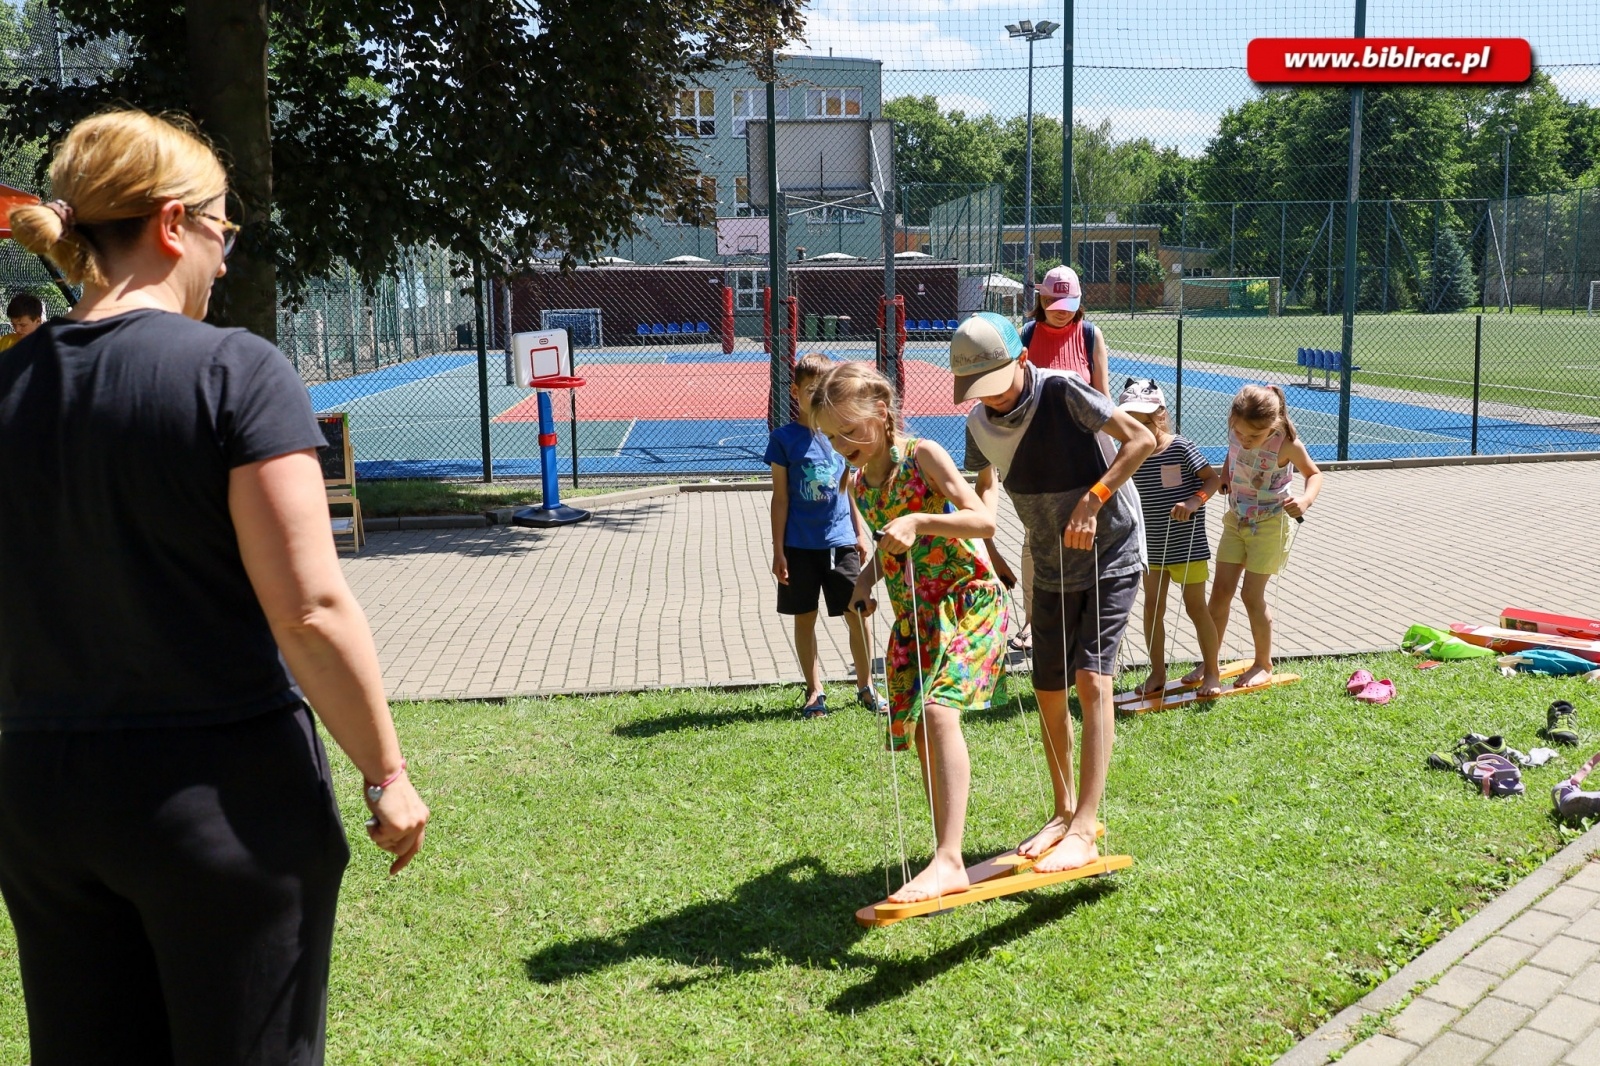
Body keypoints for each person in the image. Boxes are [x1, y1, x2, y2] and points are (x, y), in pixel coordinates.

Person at [0, 108, 428, 1065]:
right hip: (220, 795)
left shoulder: (9, 386)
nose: (225, 259)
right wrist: (387, 773)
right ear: (170, 224)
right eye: (221, 230)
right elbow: (309, 608)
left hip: (41, 798)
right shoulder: (237, 372)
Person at [958, 313, 1156, 874]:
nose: (988, 401)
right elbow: (986, 485)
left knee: (1092, 679)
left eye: (993, 386)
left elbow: (1140, 439)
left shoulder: (1064, 390)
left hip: (1110, 552)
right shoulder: (979, 425)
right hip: (1049, 566)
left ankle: (1087, 825)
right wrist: (985, 542)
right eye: (977, 392)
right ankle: (1062, 810)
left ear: (1019, 363)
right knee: (1047, 688)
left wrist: (1094, 499)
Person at [812, 361, 1003, 903]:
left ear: (882, 411)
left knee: (940, 710)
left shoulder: (924, 456)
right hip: (915, 618)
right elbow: (885, 542)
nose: (842, 442)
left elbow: (983, 522)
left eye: (849, 429)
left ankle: (948, 860)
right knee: (921, 730)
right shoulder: (857, 482)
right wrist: (865, 582)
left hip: (971, 601)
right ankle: (948, 848)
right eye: (831, 436)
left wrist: (921, 521)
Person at [765, 353, 884, 718]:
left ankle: (865, 686)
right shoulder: (784, 439)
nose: (817, 398)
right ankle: (814, 690)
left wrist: (859, 535)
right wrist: (779, 550)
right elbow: (781, 498)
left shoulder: (841, 435)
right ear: (796, 392)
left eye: (824, 390)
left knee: (858, 612)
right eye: (810, 390)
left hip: (840, 543)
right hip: (799, 547)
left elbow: (849, 489)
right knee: (805, 616)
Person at [1010, 264, 1110, 652]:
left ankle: (1090, 625)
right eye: (1053, 301)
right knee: (1037, 542)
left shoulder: (1089, 335)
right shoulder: (1026, 335)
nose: (1060, 309)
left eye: (1068, 302)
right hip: (1036, 460)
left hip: (1083, 458)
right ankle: (1035, 624)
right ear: (1041, 299)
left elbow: (1102, 398)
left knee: (1087, 540)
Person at [1208, 384, 1323, 689]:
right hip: (1236, 520)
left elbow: (1314, 474)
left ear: (1272, 426)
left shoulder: (1286, 445)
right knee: (1219, 594)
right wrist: (1224, 476)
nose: (1245, 441)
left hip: (1270, 525)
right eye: (1240, 433)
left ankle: (1263, 664)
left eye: (1253, 437)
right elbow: (1232, 456)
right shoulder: (1238, 433)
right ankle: (1209, 665)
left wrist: (1305, 500)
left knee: (1251, 596)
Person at [1118, 378, 1226, 699]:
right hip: (1151, 549)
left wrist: (1195, 501)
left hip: (1188, 546)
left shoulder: (1181, 447)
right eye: (1131, 422)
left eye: (1145, 421)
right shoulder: (1130, 453)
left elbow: (1212, 480)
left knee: (1195, 608)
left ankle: (1212, 671)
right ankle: (1157, 673)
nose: (1138, 429)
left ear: (1161, 415)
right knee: (1152, 608)